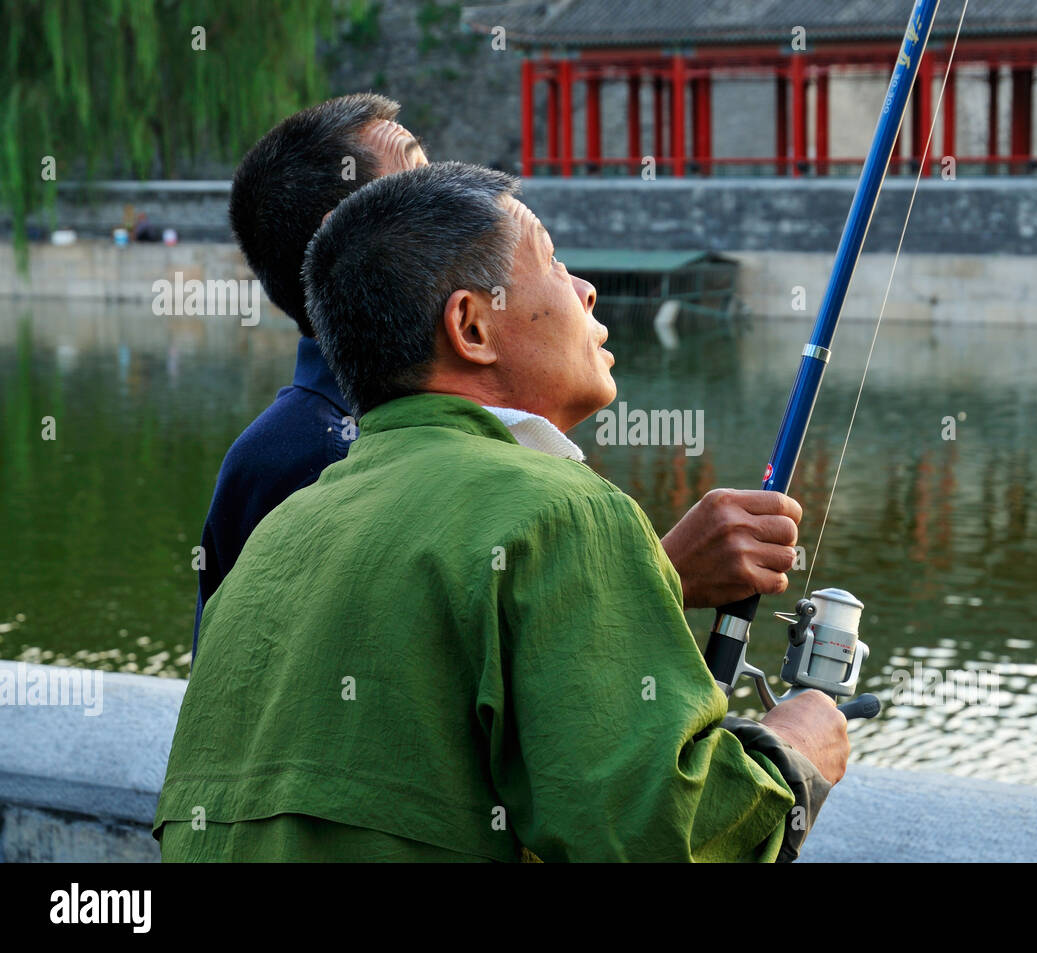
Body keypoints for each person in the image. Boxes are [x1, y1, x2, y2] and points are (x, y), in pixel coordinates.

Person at [154, 162, 850, 862]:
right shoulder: (561, 509)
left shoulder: (279, 534)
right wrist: (793, 750)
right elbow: (652, 836)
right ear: (471, 325)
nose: (586, 288)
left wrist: (652, 576)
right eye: (552, 260)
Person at [194, 93, 805, 663]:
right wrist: (659, 576)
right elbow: (390, 698)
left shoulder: (405, 440)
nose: (448, 192)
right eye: (417, 179)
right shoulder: (320, 458)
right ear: (349, 229)